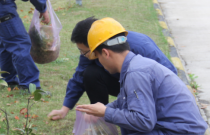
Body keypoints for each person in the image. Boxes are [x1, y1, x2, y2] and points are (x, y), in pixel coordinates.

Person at [76, 18, 208, 135]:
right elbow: (126, 102)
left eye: (98, 57)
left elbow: (144, 121)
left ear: (106, 53)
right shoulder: (135, 64)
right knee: (124, 130)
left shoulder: (135, 73)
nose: (99, 63)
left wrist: (107, 112)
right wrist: (102, 109)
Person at [47, 17, 177, 120]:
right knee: (90, 73)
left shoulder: (141, 46)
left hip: (146, 89)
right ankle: (100, 116)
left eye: (85, 52)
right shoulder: (90, 53)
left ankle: (141, 115)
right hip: (122, 86)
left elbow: (169, 75)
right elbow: (79, 76)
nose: (84, 56)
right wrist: (64, 109)